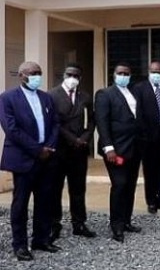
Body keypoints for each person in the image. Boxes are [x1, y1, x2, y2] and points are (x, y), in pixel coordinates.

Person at [0, 61, 61, 261]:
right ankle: (20, 245)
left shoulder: (46, 98)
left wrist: (49, 147)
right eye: (33, 73)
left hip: (47, 159)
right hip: (23, 159)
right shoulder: (8, 98)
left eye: (39, 73)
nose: (37, 76)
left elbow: (55, 124)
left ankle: (41, 239)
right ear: (22, 76)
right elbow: (11, 129)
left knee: (44, 201)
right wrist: (37, 150)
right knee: (21, 203)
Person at [95, 62, 143, 243]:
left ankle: (126, 221)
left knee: (130, 186)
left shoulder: (133, 93)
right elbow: (102, 122)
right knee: (119, 185)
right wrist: (109, 148)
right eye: (120, 73)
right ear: (114, 75)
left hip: (134, 148)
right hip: (116, 150)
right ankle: (116, 225)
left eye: (127, 73)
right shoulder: (105, 94)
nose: (124, 75)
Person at [48, 63, 96, 242]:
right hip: (59, 150)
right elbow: (54, 123)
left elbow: (91, 120)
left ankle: (79, 223)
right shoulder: (52, 95)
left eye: (76, 76)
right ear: (63, 75)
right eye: (70, 75)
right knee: (55, 188)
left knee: (78, 189)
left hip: (79, 151)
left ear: (80, 78)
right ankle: (54, 224)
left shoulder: (85, 96)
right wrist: (72, 139)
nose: (72, 79)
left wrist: (85, 138)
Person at [133, 61, 160, 214]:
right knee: (150, 170)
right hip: (147, 137)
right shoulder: (139, 89)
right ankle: (151, 201)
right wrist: (142, 134)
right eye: (154, 71)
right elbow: (138, 113)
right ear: (149, 72)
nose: (156, 74)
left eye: (159, 71)